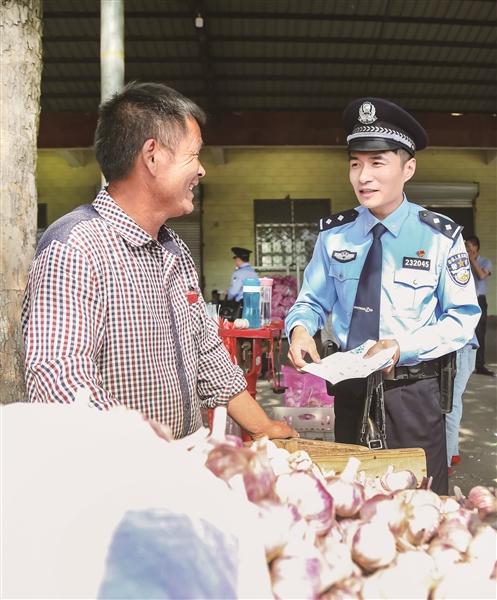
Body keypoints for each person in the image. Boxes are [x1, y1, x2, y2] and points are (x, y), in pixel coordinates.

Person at [22, 82, 296, 441]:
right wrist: (150, 454)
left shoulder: (174, 250)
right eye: (193, 155)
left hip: (177, 467)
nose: (201, 171)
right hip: (120, 477)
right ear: (152, 156)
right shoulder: (76, 246)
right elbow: (60, 379)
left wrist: (263, 427)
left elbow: (207, 352)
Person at [285, 97, 480, 495]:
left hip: (412, 392)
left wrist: (402, 347)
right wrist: (300, 329)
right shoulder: (334, 235)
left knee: (422, 502)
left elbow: (461, 317)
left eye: (377, 163)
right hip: (351, 389)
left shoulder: (439, 236)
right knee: (351, 500)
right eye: (355, 163)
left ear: (408, 168)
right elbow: (311, 300)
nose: (363, 176)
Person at [445, 336, 478, 474]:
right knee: (453, 402)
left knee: (448, 405)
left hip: (457, 347)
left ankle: (444, 462)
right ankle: (452, 452)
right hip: (464, 346)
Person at [465, 235, 494, 376]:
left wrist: (473, 260)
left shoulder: (486, 262)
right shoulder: (463, 262)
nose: (468, 250)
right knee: (465, 332)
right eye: (466, 247)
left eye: (470, 247)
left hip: (479, 300)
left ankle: (480, 365)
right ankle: (464, 365)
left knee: (480, 333)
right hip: (465, 300)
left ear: (476, 248)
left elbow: (482, 276)